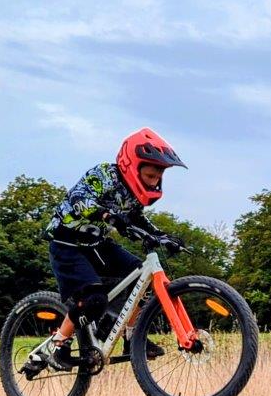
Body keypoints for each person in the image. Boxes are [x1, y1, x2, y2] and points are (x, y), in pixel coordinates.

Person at [40, 128, 186, 370]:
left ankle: (132, 338)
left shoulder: (132, 192)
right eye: (150, 175)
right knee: (94, 300)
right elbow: (79, 200)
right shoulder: (104, 174)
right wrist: (108, 215)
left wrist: (161, 236)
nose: (153, 182)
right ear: (133, 166)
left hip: (96, 244)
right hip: (67, 243)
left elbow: (136, 218)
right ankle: (58, 345)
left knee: (142, 278)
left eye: (157, 177)